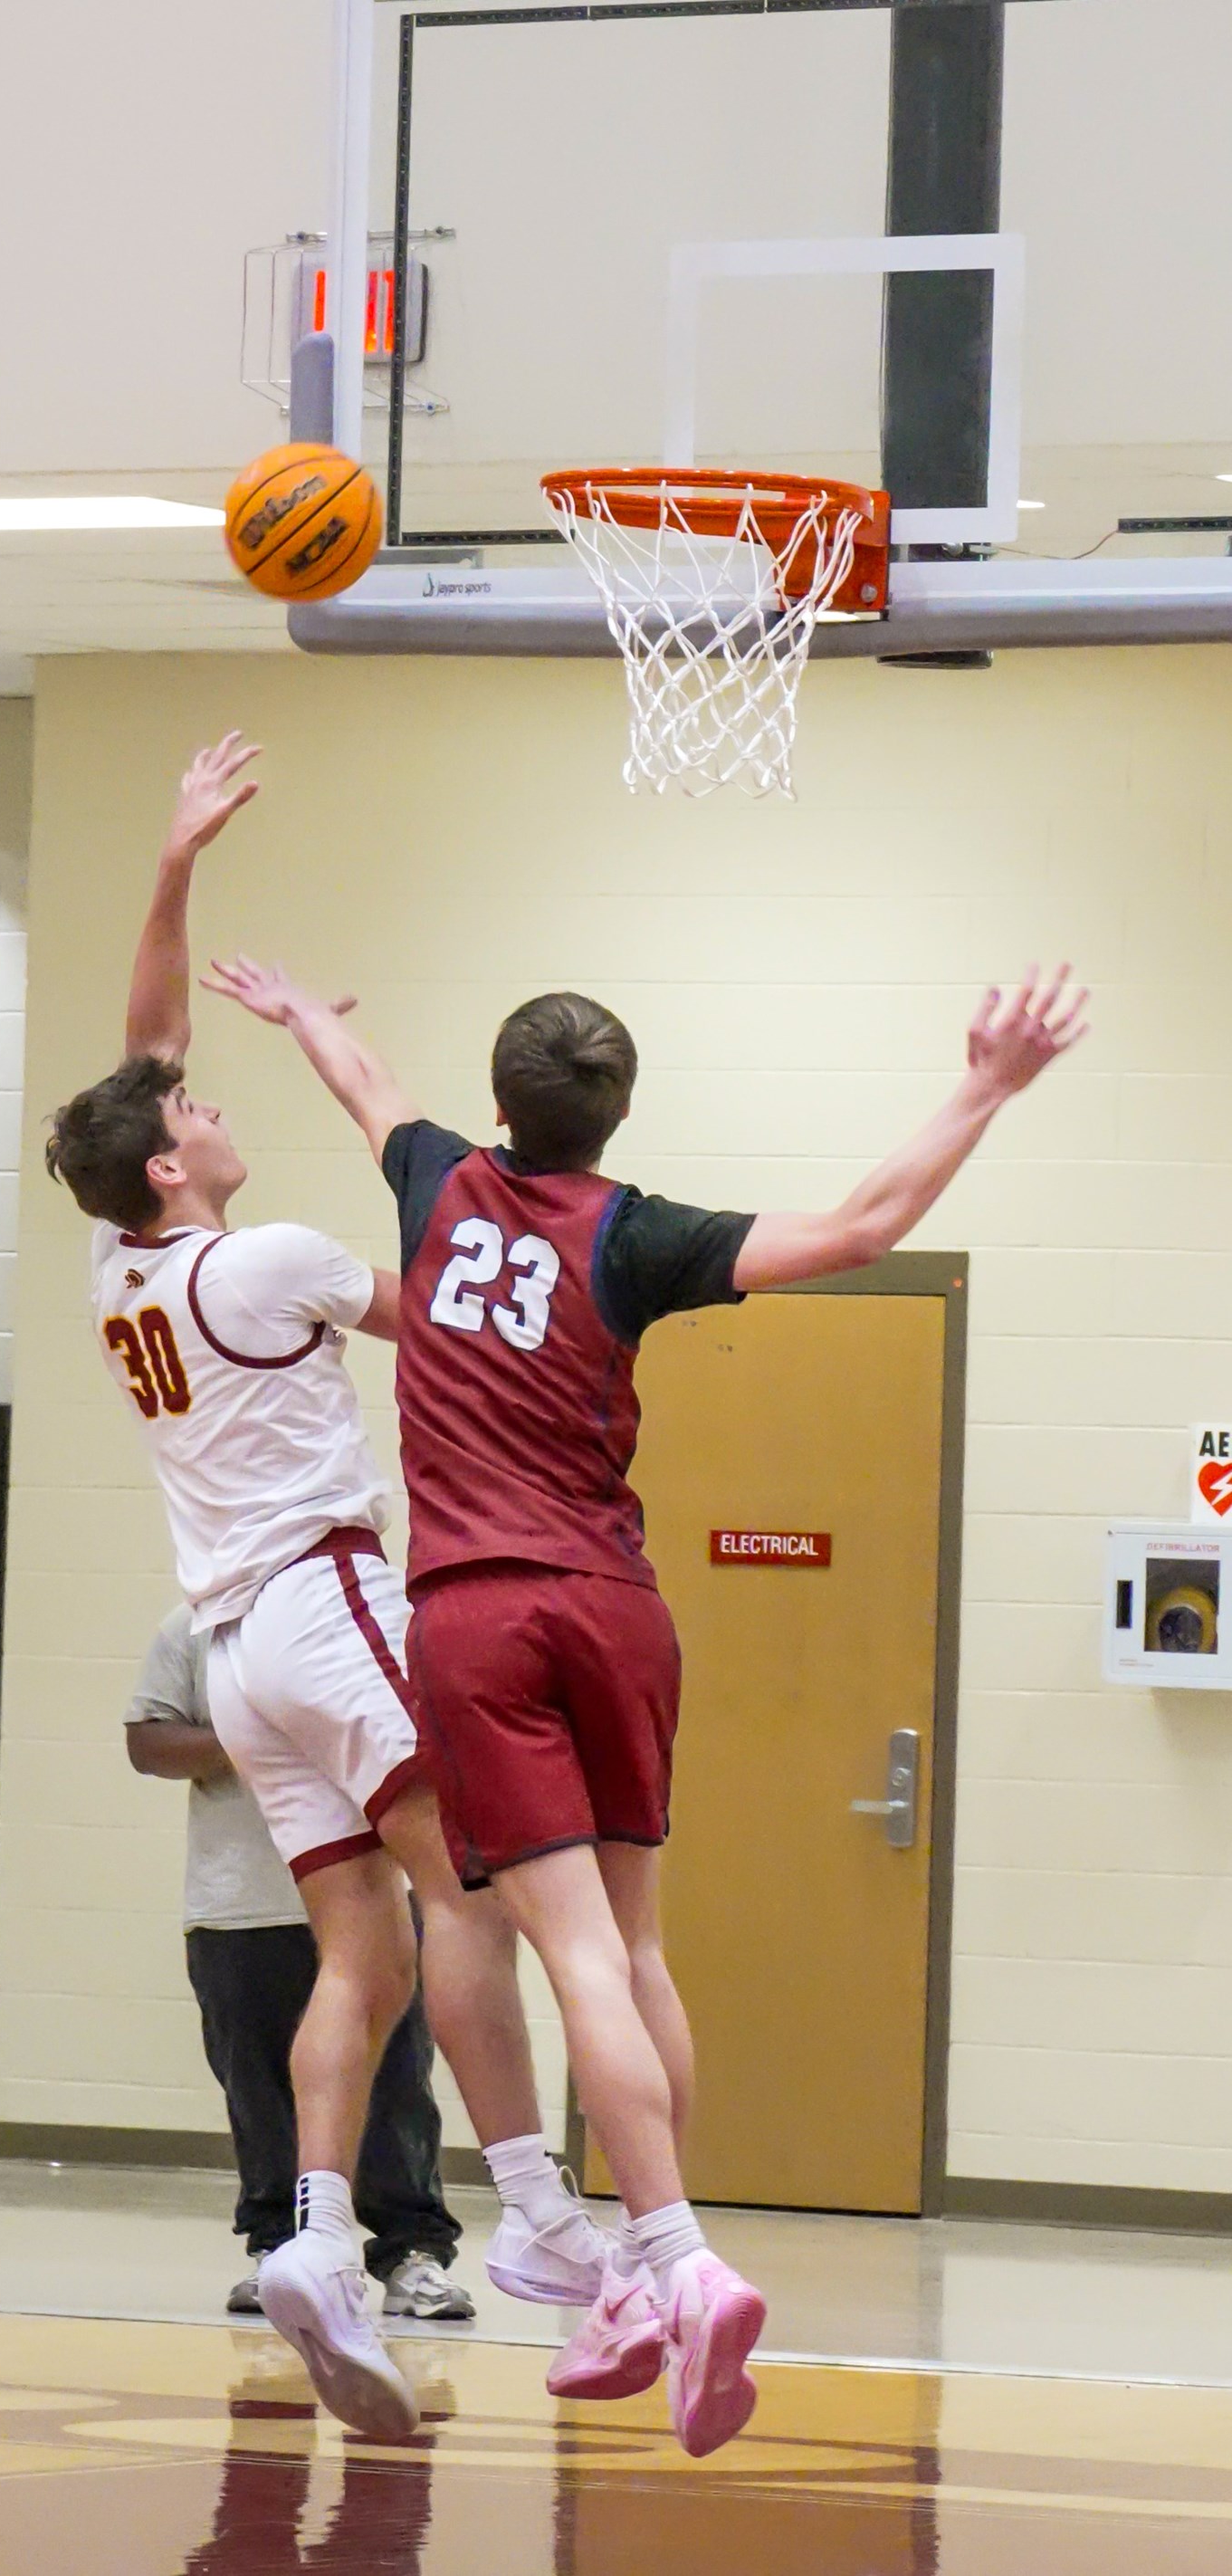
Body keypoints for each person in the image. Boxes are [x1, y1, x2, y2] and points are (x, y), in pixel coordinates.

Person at [203, 951, 1088, 2461]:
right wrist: (987, 1085)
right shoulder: (641, 1234)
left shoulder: (439, 1185)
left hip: (481, 1611)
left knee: (552, 1952)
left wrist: (297, 1017)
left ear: (502, 1104)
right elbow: (867, 1224)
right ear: (616, 1118)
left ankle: (665, 2258)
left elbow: (370, 1088)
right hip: (620, 1606)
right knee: (640, 1947)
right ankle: (637, 2261)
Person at [44, 738, 605, 2442]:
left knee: (349, 1943)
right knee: (476, 1898)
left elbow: (142, 1048)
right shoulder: (269, 1257)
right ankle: (543, 2214)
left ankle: (317, 2233)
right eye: (196, 1113)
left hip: (234, 1649)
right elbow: (447, 1292)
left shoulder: (119, 1264)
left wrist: (174, 856)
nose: (209, 1102)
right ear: (166, 1167)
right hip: (325, 1600)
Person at [126, 1601, 473, 2322]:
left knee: (395, 2081)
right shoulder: (191, 1630)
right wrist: (252, 1739)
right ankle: (282, 2248)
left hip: (371, 1898)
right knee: (257, 2082)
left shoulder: (367, 1619)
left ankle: (412, 2253)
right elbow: (147, 1742)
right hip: (239, 1904)